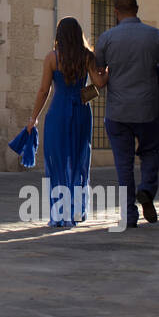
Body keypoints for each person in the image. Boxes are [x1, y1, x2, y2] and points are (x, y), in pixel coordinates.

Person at [93, 0, 159, 227]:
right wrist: (151, 71)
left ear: (116, 12)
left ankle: (129, 215)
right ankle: (147, 190)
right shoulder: (155, 36)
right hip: (147, 109)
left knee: (123, 163)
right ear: (137, 9)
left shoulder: (106, 39)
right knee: (151, 153)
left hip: (117, 112)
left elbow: (100, 74)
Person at [27, 17, 108, 227]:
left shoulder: (52, 58)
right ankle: (78, 210)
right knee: (79, 159)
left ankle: (60, 213)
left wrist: (33, 117)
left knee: (58, 161)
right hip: (81, 111)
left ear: (59, 36)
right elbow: (99, 85)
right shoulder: (87, 57)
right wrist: (101, 78)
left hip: (58, 112)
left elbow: (44, 90)